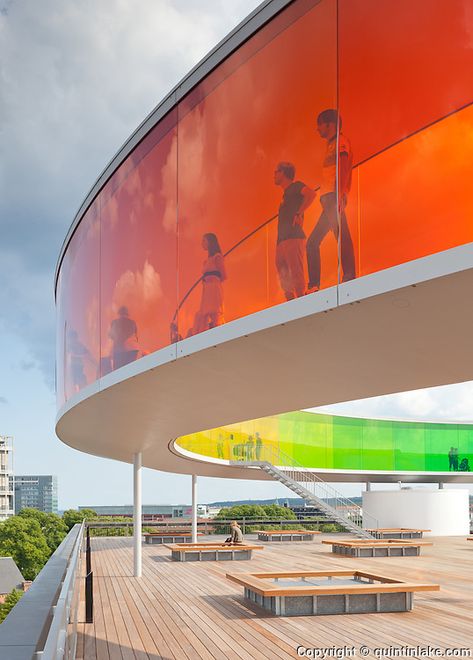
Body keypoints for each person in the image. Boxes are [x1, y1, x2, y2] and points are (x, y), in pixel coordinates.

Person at [306, 109, 356, 293]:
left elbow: (342, 167)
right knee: (313, 242)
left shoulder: (341, 143)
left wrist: (340, 193)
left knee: (341, 236)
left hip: (334, 197)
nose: (317, 129)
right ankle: (314, 285)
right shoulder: (331, 145)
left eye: (319, 124)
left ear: (329, 124)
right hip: (327, 199)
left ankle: (349, 277)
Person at [274, 162, 316, 301]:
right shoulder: (286, 194)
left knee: (296, 273)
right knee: (284, 276)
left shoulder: (295, 186)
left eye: (276, 171)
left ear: (284, 172)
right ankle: (292, 304)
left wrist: (299, 213)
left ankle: (301, 304)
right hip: (282, 240)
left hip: (293, 237)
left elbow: (311, 194)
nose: (274, 174)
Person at [192, 233, 226, 334]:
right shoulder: (206, 261)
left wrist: (212, 280)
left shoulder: (217, 257)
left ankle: (218, 333)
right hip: (207, 291)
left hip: (214, 289)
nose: (202, 243)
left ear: (210, 242)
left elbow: (223, 275)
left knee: (215, 314)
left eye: (204, 241)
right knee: (204, 315)